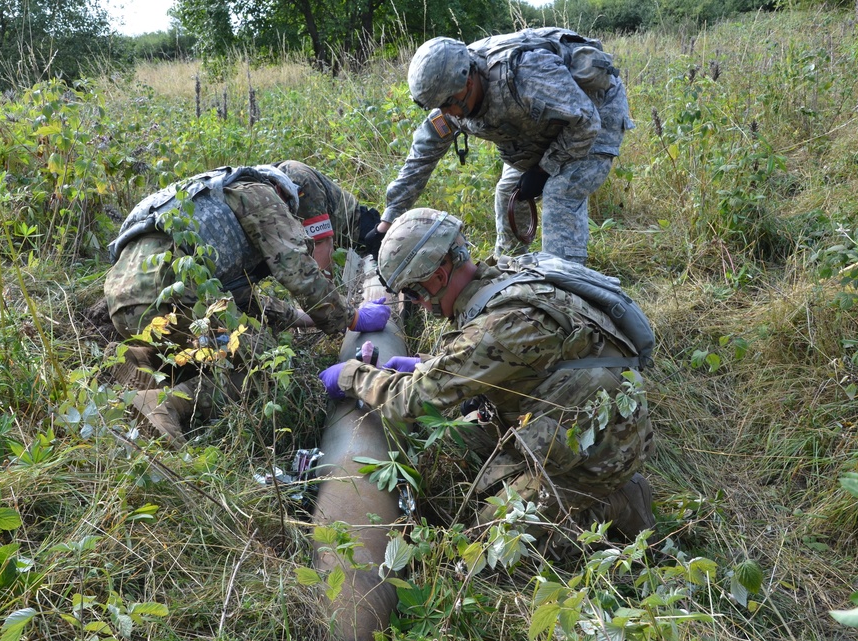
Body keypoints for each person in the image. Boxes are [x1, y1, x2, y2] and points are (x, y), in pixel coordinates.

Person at [319, 208, 655, 557]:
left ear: (436, 276)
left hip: (596, 452)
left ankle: (616, 498)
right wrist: (427, 366)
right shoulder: (506, 273)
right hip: (565, 417)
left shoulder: (497, 328)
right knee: (444, 444)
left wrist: (351, 375)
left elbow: (412, 402)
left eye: (415, 294)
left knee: (488, 554)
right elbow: (515, 360)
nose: (421, 306)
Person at [104, 160, 390, 443]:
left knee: (216, 348)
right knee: (266, 373)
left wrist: (300, 318)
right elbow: (297, 271)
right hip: (174, 295)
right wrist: (349, 318)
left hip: (125, 302)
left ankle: (144, 361)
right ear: (283, 193)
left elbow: (242, 303)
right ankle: (162, 403)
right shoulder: (263, 194)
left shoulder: (212, 195)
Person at [376, 29, 635, 263]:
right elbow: (422, 155)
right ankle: (511, 268)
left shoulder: (525, 74)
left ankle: (565, 283)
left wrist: (545, 169)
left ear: (468, 82)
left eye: (448, 104)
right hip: (544, 124)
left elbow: (586, 122)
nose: (447, 114)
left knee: (560, 192)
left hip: (595, 116)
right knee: (509, 191)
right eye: (440, 107)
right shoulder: (452, 100)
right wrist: (388, 219)